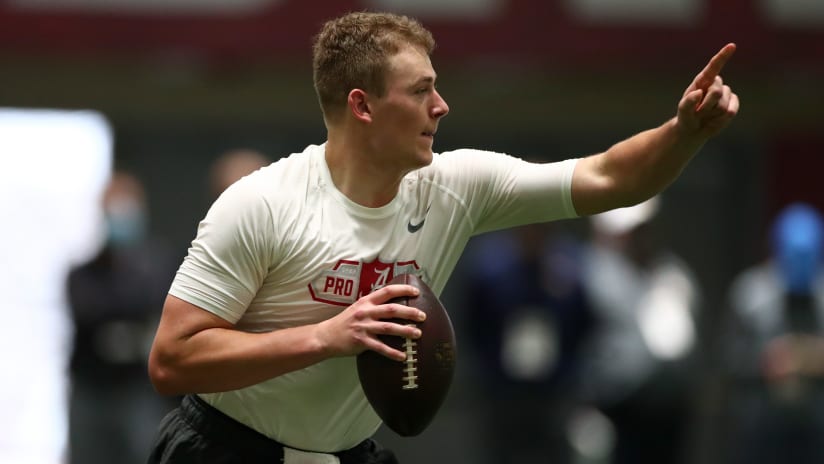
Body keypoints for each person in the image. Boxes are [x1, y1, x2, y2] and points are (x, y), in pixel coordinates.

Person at [146, 11, 739, 464]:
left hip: (348, 455)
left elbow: (610, 177)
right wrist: (326, 336)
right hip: (224, 450)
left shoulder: (455, 186)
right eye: (420, 90)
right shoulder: (261, 205)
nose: (442, 105)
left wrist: (683, 132)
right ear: (363, 105)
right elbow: (172, 360)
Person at [576, 197, 703, 464]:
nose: (639, 236)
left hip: (666, 415)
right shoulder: (591, 275)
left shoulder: (673, 275)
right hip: (614, 410)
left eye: (643, 228)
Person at [67, 170, 179, 464]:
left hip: (138, 390)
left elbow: (156, 307)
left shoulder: (160, 264)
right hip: (90, 390)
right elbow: (90, 311)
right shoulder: (83, 272)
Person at [461, 222, 595, 464]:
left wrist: (571, 372)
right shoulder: (490, 266)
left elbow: (584, 322)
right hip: (503, 389)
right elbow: (474, 322)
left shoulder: (570, 264)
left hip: (555, 389)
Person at [723, 203, 824, 464]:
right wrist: (767, 362)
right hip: (762, 431)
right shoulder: (751, 295)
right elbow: (728, 362)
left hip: (816, 432)